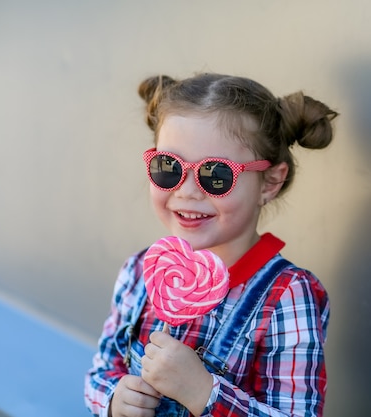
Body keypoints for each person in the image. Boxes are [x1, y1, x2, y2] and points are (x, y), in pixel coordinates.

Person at [84, 72, 338, 417]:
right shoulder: (140, 271)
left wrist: (204, 391)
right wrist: (113, 399)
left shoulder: (288, 296)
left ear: (269, 182)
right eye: (168, 166)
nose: (187, 191)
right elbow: (101, 371)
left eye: (215, 174)